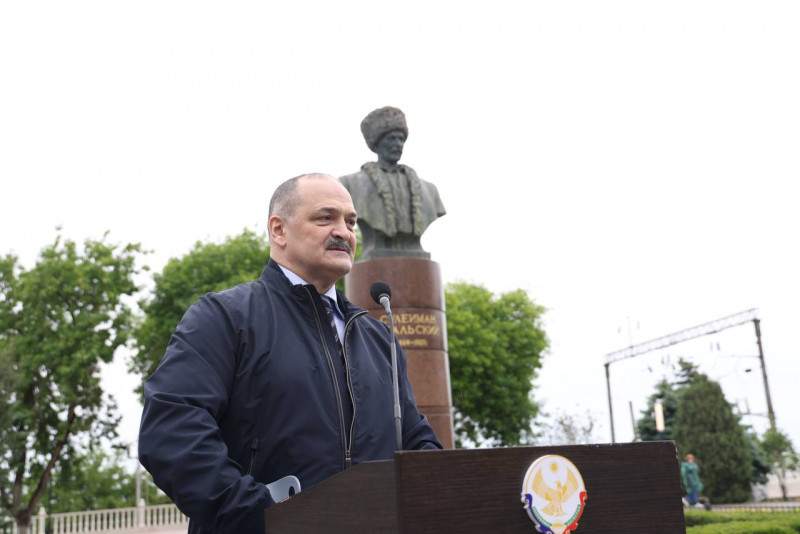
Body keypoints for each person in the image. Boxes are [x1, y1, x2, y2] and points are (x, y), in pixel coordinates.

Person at [138, 173, 442, 534]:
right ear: (278, 230)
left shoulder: (378, 339)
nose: (344, 232)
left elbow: (417, 440)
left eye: (351, 221)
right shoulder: (225, 317)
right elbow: (172, 433)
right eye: (325, 218)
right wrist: (263, 514)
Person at [340, 106, 446, 260]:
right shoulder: (350, 184)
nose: (398, 144)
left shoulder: (429, 190)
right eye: (391, 138)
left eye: (401, 139)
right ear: (377, 143)